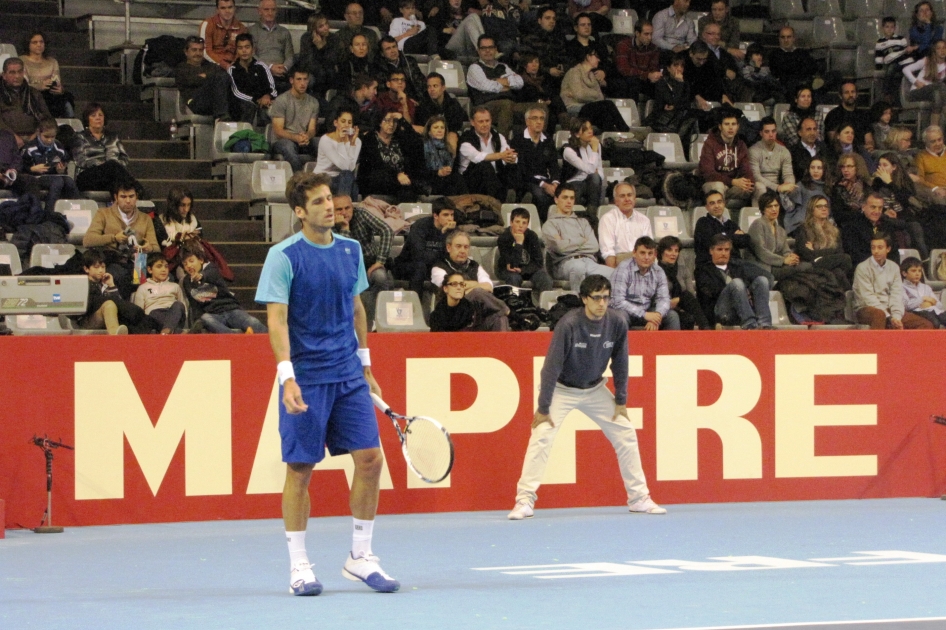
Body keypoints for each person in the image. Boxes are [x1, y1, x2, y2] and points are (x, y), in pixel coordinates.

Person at [255, 171, 398, 596]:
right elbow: (276, 321)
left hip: (348, 373)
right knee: (301, 468)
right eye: (317, 202)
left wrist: (366, 365)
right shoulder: (283, 256)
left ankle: (360, 556)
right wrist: (287, 378)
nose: (329, 206)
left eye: (330, 200)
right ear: (299, 212)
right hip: (307, 376)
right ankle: (299, 565)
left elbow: (357, 309)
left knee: (371, 459)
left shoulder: (351, 249)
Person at [508, 273, 666, 520]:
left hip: (594, 389)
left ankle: (639, 498)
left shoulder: (617, 322)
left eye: (605, 297)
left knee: (626, 432)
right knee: (541, 437)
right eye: (596, 298)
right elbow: (551, 367)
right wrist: (544, 407)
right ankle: (524, 501)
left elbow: (621, 362)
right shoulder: (568, 324)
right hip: (562, 389)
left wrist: (621, 400)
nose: (602, 303)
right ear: (584, 299)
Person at [82, 178, 159, 300]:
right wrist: (113, 238)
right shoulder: (103, 213)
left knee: (148, 277)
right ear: (116, 197)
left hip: (138, 260)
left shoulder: (145, 218)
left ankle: (144, 309)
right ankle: (121, 309)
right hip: (113, 258)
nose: (128, 201)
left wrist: (148, 248)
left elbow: (155, 247)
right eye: (123, 197)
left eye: (131, 196)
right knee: (120, 275)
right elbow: (88, 240)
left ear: (136, 197)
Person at [332, 193, 394, 327]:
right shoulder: (327, 223)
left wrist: (380, 261)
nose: (344, 212)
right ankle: (344, 323)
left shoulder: (361, 214)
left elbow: (387, 230)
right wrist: (344, 228)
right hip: (341, 267)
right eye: (339, 209)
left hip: (367, 263)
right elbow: (344, 257)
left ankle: (379, 321)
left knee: (381, 277)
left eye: (347, 208)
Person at [852, 232, 934, 329]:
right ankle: (877, 344)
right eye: (873, 247)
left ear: (888, 249)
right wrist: (889, 316)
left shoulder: (894, 267)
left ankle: (905, 344)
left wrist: (896, 316)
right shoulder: (863, 268)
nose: (876, 251)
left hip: (890, 309)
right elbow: (867, 298)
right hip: (867, 308)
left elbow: (896, 294)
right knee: (879, 315)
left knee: (926, 325)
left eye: (880, 247)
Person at [543, 183, 613, 290]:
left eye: (572, 198)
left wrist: (568, 242)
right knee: (578, 268)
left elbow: (594, 246)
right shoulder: (550, 224)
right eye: (565, 197)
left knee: (615, 274)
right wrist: (582, 240)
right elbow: (560, 247)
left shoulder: (583, 222)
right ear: (556, 200)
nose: (569, 201)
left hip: (589, 262)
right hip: (565, 264)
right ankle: (578, 303)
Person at [696, 233, 772, 329]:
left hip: (740, 308)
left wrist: (744, 291)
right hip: (720, 311)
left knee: (762, 280)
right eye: (719, 249)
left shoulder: (736, 267)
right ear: (711, 251)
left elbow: (748, 284)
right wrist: (735, 289)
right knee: (737, 283)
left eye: (726, 250)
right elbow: (709, 294)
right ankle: (750, 325)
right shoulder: (703, 270)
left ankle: (764, 324)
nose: (723, 253)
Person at [73, 249, 158, 335]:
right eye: (96, 267)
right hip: (87, 320)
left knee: (141, 322)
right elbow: (88, 307)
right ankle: (115, 336)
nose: (101, 270)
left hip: (112, 318)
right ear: (86, 269)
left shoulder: (108, 281)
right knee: (109, 304)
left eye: (103, 267)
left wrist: (111, 285)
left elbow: (122, 301)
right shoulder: (82, 284)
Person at [183, 246, 266, 333]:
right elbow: (194, 305)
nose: (189, 265)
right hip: (213, 315)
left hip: (231, 310)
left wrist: (201, 276)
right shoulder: (186, 282)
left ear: (201, 260)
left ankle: (270, 339)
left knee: (252, 322)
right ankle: (236, 338)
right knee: (205, 318)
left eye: (191, 261)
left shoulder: (211, 268)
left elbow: (210, 275)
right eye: (185, 264)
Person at [610, 236, 680, 330]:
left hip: (648, 310)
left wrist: (657, 316)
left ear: (655, 255)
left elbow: (664, 299)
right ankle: (623, 345)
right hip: (626, 312)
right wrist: (645, 315)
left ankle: (672, 345)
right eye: (642, 253)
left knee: (672, 316)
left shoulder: (658, 271)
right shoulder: (623, 269)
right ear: (634, 253)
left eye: (650, 253)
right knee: (620, 318)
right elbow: (617, 301)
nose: (646, 257)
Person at [465, 35, 529, 137]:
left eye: (490, 47)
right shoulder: (474, 68)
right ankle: (502, 145)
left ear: (495, 49)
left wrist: (496, 81)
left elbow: (519, 82)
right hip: (485, 106)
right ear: (478, 51)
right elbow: (487, 86)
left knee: (539, 109)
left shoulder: (503, 66)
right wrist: (506, 84)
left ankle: (535, 146)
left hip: (511, 103)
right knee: (506, 104)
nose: (487, 51)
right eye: (483, 48)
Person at [392, 197, 455, 295]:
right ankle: (416, 304)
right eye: (446, 215)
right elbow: (419, 255)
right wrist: (442, 236)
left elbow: (452, 256)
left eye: (452, 215)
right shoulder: (420, 226)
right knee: (420, 267)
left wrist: (446, 234)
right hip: (406, 265)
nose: (450, 219)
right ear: (435, 215)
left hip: (432, 267)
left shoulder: (451, 231)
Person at [356, 111, 421, 203]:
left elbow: (416, 141)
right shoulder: (370, 138)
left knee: (410, 183)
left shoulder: (398, 138)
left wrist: (402, 120)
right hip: (378, 179)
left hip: (399, 180)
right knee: (404, 187)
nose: (391, 124)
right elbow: (376, 163)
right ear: (379, 122)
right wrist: (397, 175)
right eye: (386, 121)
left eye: (394, 121)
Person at [872, 152, 928, 259]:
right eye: (880, 165)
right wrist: (884, 211)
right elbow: (873, 201)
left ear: (894, 167)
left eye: (885, 165)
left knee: (915, 228)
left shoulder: (905, 181)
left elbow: (906, 201)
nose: (881, 168)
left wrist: (890, 183)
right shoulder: (876, 182)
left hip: (904, 216)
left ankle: (925, 261)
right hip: (885, 217)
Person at [19, 117, 80, 214]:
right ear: (39, 133)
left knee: (69, 181)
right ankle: (49, 213)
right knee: (58, 181)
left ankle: (76, 212)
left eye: (53, 137)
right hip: (35, 178)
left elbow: (64, 164)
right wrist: (32, 169)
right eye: (46, 137)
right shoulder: (29, 148)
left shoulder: (59, 147)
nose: (49, 140)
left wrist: (61, 170)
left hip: (54, 175)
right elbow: (20, 169)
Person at [747, 191, 810, 282]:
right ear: (763, 209)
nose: (774, 209)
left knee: (806, 266)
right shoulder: (758, 224)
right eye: (769, 206)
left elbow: (785, 250)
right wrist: (783, 260)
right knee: (805, 268)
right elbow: (761, 252)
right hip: (764, 267)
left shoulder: (780, 229)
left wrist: (791, 257)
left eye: (776, 205)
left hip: (778, 265)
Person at [457, 106, 517, 202]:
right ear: (472, 122)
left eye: (487, 121)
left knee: (514, 167)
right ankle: (497, 200)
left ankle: (516, 198)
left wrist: (511, 158)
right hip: (471, 179)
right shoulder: (466, 140)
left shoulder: (498, 137)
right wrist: (501, 156)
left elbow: (508, 153)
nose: (485, 124)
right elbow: (478, 157)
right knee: (485, 165)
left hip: (494, 178)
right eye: (481, 121)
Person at [510, 105, 559, 222]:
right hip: (526, 180)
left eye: (542, 119)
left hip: (545, 180)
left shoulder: (548, 140)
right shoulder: (518, 140)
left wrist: (555, 183)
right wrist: (544, 184)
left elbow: (554, 165)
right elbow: (522, 170)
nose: (539, 122)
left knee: (563, 194)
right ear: (527, 121)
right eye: (535, 118)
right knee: (541, 195)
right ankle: (543, 225)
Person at [560, 51, 630, 132]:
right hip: (575, 109)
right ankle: (626, 131)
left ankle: (610, 138)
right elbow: (580, 95)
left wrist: (587, 94)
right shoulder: (574, 72)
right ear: (588, 57)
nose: (599, 60)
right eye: (596, 57)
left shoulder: (592, 76)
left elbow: (600, 98)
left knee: (606, 116)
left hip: (591, 108)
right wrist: (594, 94)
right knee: (608, 104)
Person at [698, 108, 754, 208]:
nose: (730, 128)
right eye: (727, 124)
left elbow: (747, 171)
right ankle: (719, 221)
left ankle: (758, 220)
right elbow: (708, 173)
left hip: (732, 187)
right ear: (720, 127)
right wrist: (732, 181)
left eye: (733, 124)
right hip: (712, 185)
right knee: (718, 186)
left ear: (738, 127)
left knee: (757, 187)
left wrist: (748, 182)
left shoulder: (741, 145)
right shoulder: (710, 143)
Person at [792, 194, 852, 286]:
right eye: (819, 206)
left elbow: (840, 251)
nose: (824, 209)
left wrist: (817, 251)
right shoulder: (803, 229)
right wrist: (831, 251)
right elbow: (807, 254)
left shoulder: (834, 230)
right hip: (812, 265)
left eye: (825, 206)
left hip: (831, 266)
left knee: (838, 272)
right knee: (845, 259)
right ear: (811, 209)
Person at [497, 206, 552, 299]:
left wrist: (523, 270)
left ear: (527, 224)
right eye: (517, 222)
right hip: (509, 271)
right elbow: (512, 265)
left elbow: (538, 263)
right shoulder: (504, 238)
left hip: (528, 269)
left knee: (545, 278)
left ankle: (545, 308)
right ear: (511, 222)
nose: (520, 226)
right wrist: (519, 243)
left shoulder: (532, 236)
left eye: (524, 223)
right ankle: (514, 305)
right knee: (514, 278)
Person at [271, 69, 319, 172]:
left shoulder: (313, 102)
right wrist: (296, 137)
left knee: (322, 143)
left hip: (302, 138)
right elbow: (278, 131)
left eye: (305, 79)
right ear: (291, 80)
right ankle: (299, 180)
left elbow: (312, 129)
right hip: (283, 140)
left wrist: (307, 136)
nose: (302, 83)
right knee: (288, 147)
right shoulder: (281, 100)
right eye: (299, 79)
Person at [657, 235, 709, 330]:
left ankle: (704, 328)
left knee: (688, 317)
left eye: (676, 251)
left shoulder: (683, 270)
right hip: (661, 306)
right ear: (661, 252)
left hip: (680, 306)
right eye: (669, 250)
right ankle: (705, 328)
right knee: (685, 297)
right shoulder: (655, 271)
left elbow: (691, 295)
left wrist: (678, 300)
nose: (673, 254)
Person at [841, 192, 905, 268]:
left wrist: (890, 268)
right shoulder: (851, 226)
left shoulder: (887, 224)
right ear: (863, 207)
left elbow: (894, 251)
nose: (877, 211)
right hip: (864, 269)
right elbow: (854, 255)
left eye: (880, 208)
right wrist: (878, 265)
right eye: (873, 207)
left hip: (886, 270)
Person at [18, 31, 74, 118]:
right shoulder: (21, 61)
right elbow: (23, 84)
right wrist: (39, 86)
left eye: (41, 42)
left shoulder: (52, 61)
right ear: (28, 44)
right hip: (30, 94)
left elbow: (56, 80)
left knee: (66, 98)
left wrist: (59, 89)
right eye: (35, 42)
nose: (39, 45)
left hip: (50, 94)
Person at [429, 271, 509, 331]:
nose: (459, 287)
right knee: (477, 293)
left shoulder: (469, 306)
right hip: (455, 345)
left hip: (473, 337)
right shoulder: (437, 315)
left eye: (461, 284)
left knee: (500, 318)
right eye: (454, 284)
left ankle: (501, 352)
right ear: (445, 288)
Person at [175, 36, 232, 121]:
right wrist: (212, 78)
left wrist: (206, 76)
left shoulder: (210, 66)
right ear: (186, 52)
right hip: (195, 103)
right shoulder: (181, 68)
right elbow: (192, 81)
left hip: (213, 101)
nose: (198, 53)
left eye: (200, 50)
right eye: (194, 50)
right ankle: (221, 116)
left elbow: (226, 77)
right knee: (219, 78)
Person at [599, 182, 654, 268]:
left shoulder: (644, 220)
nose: (627, 199)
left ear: (634, 199)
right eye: (622, 196)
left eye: (629, 195)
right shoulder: (607, 219)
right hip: (619, 260)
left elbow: (649, 247)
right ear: (616, 201)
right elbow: (608, 253)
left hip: (641, 260)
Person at [227, 34, 278, 125]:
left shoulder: (261, 66)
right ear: (237, 50)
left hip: (264, 102)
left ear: (253, 49)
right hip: (243, 104)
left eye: (247, 47)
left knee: (269, 110)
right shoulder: (232, 70)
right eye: (240, 48)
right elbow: (236, 92)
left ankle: (268, 138)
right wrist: (256, 100)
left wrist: (267, 96)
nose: (244, 51)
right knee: (248, 107)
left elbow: (272, 88)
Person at [0, 57, 51, 148]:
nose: (17, 76)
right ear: (4, 75)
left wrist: (36, 135)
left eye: (20, 72)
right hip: (5, 138)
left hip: (35, 137)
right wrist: (13, 137)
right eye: (12, 72)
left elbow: (46, 118)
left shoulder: (34, 93)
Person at [133, 253, 187, 334]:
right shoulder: (143, 288)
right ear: (150, 270)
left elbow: (184, 308)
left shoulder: (175, 286)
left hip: (174, 315)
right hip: (154, 318)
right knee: (154, 313)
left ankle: (167, 330)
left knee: (178, 305)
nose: (163, 270)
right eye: (159, 266)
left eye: (166, 266)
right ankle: (172, 331)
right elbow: (139, 312)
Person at [561, 118, 605, 216]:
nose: (590, 131)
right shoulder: (568, 150)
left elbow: (600, 169)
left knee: (597, 179)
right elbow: (589, 169)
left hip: (591, 182)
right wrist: (594, 150)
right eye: (585, 129)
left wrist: (596, 173)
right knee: (593, 178)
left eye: (590, 128)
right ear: (577, 134)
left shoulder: (596, 145)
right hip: (573, 182)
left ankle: (593, 213)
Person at [247, 0, 294, 93]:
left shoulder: (284, 32)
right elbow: (251, 55)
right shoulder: (251, 31)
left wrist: (284, 68)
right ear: (259, 11)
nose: (270, 13)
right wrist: (270, 67)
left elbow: (290, 56)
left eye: (273, 10)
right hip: (261, 71)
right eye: (266, 9)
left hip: (282, 72)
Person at [694, 189, 749, 265]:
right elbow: (713, 241)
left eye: (719, 202)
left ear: (724, 204)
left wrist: (723, 235)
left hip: (736, 263)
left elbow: (745, 241)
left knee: (764, 276)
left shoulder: (731, 223)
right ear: (707, 207)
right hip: (711, 265)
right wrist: (734, 236)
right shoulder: (703, 222)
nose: (717, 206)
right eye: (712, 203)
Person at [413, 73, 467, 151]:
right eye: (429, 86)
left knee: (452, 136)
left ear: (443, 87)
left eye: (435, 86)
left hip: (447, 135)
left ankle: (449, 162)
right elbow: (420, 126)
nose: (431, 89)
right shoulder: (422, 106)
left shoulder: (453, 104)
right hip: (428, 136)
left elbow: (456, 126)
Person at [315, 108, 361, 198]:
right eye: (343, 121)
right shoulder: (325, 140)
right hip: (323, 177)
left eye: (349, 122)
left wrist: (352, 144)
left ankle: (344, 209)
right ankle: (342, 206)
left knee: (352, 183)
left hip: (342, 178)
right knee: (349, 180)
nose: (346, 125)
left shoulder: (357, 141)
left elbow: (350, 168)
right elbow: (343, 166)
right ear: (336, 123)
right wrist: (341, 142)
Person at [292, 13, 337, 104]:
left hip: (328, 73)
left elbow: (332, 61)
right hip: (312, 72)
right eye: (321, 26)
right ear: (314, 29)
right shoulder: (306, 38)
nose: (326, 28)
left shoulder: (333, 38)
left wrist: (321, 48)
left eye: (326, 24)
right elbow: (307, 63)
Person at [749, 116, 795, 203]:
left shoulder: (784, 151)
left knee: (795, 189)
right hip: (760, 185)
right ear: (761, 133)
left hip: (778, 185)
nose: (771, 134)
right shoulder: (753, 151)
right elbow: (756, 177)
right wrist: (777, 187)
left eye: (773, 131)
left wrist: (789, 184)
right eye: (767, 132)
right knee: (760, 187)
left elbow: (788, 174)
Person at [614, 20, 662, 102]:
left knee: (661, 85)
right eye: (646, 34)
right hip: (628, 79)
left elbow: (653, 67)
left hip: (645, 80)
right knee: (632, 82)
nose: (650, 38)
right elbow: (624, 69)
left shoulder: (653, 48)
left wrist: (654, 75)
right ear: (637, 33)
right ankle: (633, 112)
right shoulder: (624, 45)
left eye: (651, 34)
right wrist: (647, 75)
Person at [768, 26, 821, 100]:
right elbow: (780, 71)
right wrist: (799, 66)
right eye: (783, 37)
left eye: (789, 37)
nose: (786, 40)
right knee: (791, 82)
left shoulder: (802, 53)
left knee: (834, 75)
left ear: (794, 38)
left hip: (806, 82)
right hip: (788, 86)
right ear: (779, 39)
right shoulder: (774, 54)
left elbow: (813, 67)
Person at [903, 39, 946, 128]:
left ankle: (934, 129)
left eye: (944, 48)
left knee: (937, 95)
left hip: (933, 93)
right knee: (941, 86)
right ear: (934, 50)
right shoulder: (927, 60)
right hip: (916, 92)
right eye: (939, 48)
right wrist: (915, 81)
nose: (942, 51)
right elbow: (905, 69)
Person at [421, 114, 467, 196]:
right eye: (436, 127)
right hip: (428, 181)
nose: (440, 130)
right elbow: (420, 171)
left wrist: (447, 170)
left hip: (446, 180)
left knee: (457, 178)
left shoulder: (449, 147)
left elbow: (455, 169)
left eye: (442, 128)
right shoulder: (421, 147)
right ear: (429, 132)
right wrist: (438, 172)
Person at [876, 16, 916, 104]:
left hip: (905, 62)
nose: (890, 29)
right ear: (882, 28)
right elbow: (879, 57)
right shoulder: (880, 42)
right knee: (891, 69)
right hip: (893, 63)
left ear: (895, 28)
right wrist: (878, 68)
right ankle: (887, 94)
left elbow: (907, 52)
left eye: (892, 27)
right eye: (887, 27)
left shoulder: (901, 39)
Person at [373, 36, 426, 103]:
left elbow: (420, 82)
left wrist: (420, 101)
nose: (393, 51)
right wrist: (407, 100)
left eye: (394, 47)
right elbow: (382, 91)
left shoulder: (409, 61)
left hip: (416, 100)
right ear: (382, 53)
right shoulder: (377, 68)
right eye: (388, 49)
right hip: (391, 104)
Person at [788, 157, 830, 237]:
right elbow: (791, 207)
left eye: (819, 168)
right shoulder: (801, 185)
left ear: (824, 170)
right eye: (812, 168)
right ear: (808, 169)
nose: (816, 171)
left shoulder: (828, 187)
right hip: (803, 223)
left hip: (823, 223)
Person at [199, 0, 247, 70]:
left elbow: (240, 52)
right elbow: (205, 50)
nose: (227, 11)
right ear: (217, 10)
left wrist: (233, 65)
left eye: (230, 7)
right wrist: (224, 65)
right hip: (210, 64)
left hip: (233, 65)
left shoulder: (242, 28)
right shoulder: (208, 24)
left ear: (235, 8)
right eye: (223, 8)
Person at [901, 256, 946, 327]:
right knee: (935, 322)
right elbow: (906, 306)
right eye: (913, 271)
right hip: (916, 312)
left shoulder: (926, 287)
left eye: (919, 271)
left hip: (933, 309)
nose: (917, 274)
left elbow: (940, 306)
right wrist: (923, 299)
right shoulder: (902, 287)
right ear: (904, 273)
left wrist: (930, 303)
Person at [823, 82, 873, 147]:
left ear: (857, 94)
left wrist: (869, 146)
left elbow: (869, 138)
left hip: (862, 151)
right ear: (840, 96)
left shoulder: (863, 115)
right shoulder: (833, 115)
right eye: (846, 92)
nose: (850, 95)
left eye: (853, 92)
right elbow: (833, 140)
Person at [830, 153, 872, 226]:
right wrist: (862, 213)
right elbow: (838, 214)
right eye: (843, 167)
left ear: (857, 167)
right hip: (846, 226)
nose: (845, 170)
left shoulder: (867, 186)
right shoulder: (837, 188)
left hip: (867, 224)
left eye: (849, 166)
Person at [789, 116, 830, 182]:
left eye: (814, 129)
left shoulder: (824, 148)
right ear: (800, 133)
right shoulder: (793, 152)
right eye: (808, 129)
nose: (812, 133)